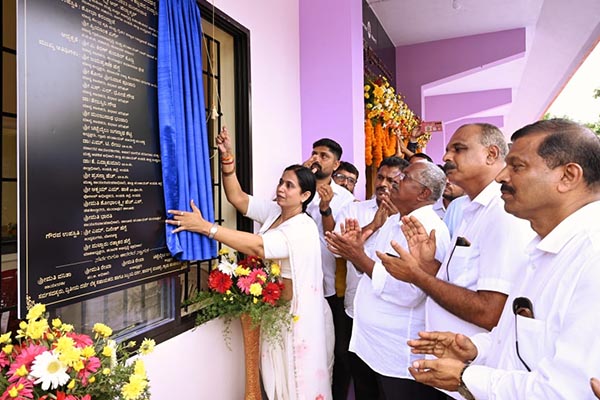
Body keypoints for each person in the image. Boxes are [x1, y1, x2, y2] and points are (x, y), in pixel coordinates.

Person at [406, 119, 600, 399]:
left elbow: (568, 390)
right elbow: (519, 338)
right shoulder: (543, 246)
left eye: (517, 166)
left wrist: (465, 377)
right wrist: (476, 349)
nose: (501, 177)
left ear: (568, 176)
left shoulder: (592, 256)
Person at [166, 127, 334, 400]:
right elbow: (238, 199)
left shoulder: (302, 227)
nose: (281, 189)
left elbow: (259, 246)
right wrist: (227, 159)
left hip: (298, 321)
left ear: (304, 196)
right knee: (276, 382)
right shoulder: (276, 212)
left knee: (297, 384)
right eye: (281, 182)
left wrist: (206, 228)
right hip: (277, 315)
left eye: (289, 186)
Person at [380, 123, 534, 398]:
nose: (446, 157)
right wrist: (429, 266)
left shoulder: (502, 214)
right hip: (449, 372)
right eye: (448, 149)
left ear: (491, 154)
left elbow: (490, 312)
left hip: (473, 377)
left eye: (459, 149)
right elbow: (464, 283)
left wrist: (417, 275)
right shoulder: (470, 210)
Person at [325, 161, 451, 400]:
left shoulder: (429, 229)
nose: (396, 181)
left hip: (399, 354)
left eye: (405, 178)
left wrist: (358, 256)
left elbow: (410, 292)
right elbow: (373, 268)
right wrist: (355, 250)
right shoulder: (394, 220)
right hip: (372, 346)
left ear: (423, 193)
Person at [330, 156, 407, 400]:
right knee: (363, 384)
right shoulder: (356, 210)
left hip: (393, 318)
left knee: (391, 387)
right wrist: (373, 226)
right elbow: (337, 249)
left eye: (391, 180)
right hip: (356, 311)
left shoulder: (410, 217)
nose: (383, 184)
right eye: (380, 177)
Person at [303, 138, 355, 398]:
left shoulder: (345, 198)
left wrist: (326, 209)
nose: (316, 158)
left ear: (335, 165)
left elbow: (337, 242)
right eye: (314, 153)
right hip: (302, 282)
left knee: (337, 350)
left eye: (324, 156)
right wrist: (301, 179)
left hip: (331, 285)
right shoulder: (298, 188)